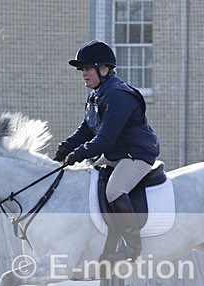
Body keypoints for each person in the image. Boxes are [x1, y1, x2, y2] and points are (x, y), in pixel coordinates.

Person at [54, 40, 160, 262]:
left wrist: (77, 155)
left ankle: (133, 247)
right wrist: (66, 147)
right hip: (116, 153)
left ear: (104, 69)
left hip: (136, 154)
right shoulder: (98, 93)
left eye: (88, 69)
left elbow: (104, 139)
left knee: (114, 191)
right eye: (82, 70)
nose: (84, 74)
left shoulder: (118, 95)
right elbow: (86, 129)